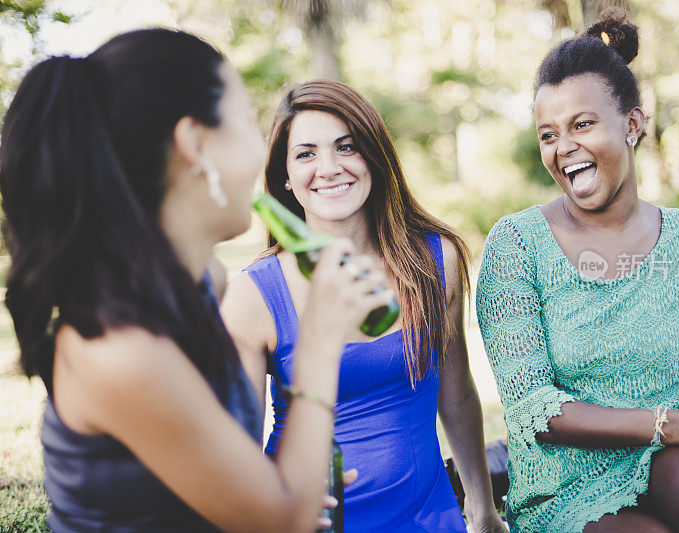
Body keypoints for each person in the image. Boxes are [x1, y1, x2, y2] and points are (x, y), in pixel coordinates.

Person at [0, 28, 391, 532]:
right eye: (248, 122)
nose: (260, 152)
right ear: (196, 144)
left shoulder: (202, 281)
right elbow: (282, 519)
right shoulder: (119, 347)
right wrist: (319, 339)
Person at [476, 10, 679, 533]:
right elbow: (534, 408)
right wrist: (668, 424)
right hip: (567, 477)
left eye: (582, 124)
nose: (563, 148)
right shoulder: (516, 244)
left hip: (674, 451)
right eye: (548, 134)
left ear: (632, 124)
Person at [221, 80, 506, 533]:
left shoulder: (435, 261)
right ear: (285, 179)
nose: (329, 167)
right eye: (306, 154)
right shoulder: (252, 297)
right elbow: (236, 451)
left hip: (429, 517)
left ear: (375, 155)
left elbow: (457, 394)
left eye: (346, 146)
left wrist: (483, 509)